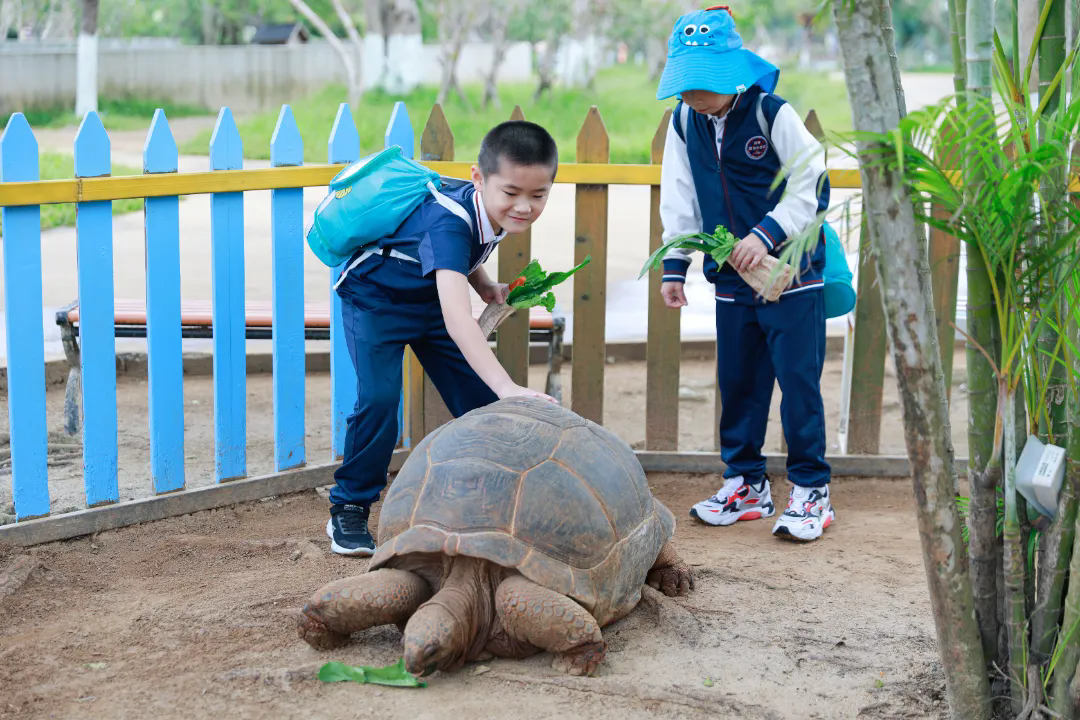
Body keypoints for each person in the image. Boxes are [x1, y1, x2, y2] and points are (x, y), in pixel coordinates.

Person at [327, 121, 560, 556]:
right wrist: (508, 385)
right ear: (479, 178)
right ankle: (350, 506)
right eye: (511, 193)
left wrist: (485, 286)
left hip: (427, 300)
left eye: (538, 195)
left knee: (479, 401)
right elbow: (457, 317)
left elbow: (460, 255)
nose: (524, 207)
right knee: (379, 400)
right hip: (375, 302)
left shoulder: (489, 210)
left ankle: (496, 499)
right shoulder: (449, 221)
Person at [655, 5, 834, 541]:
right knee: (739, 384)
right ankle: (746, 484)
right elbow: (679, 198)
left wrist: (765, 234)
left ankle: (811, 491)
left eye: (702, 84)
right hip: (730, 277)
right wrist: (675, 265)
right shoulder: (685, 122)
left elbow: (814, 186)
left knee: (798, 383)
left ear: (733, 71)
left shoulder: (770, 114)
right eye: (684, 85)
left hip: (792, 273)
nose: (692, 96)